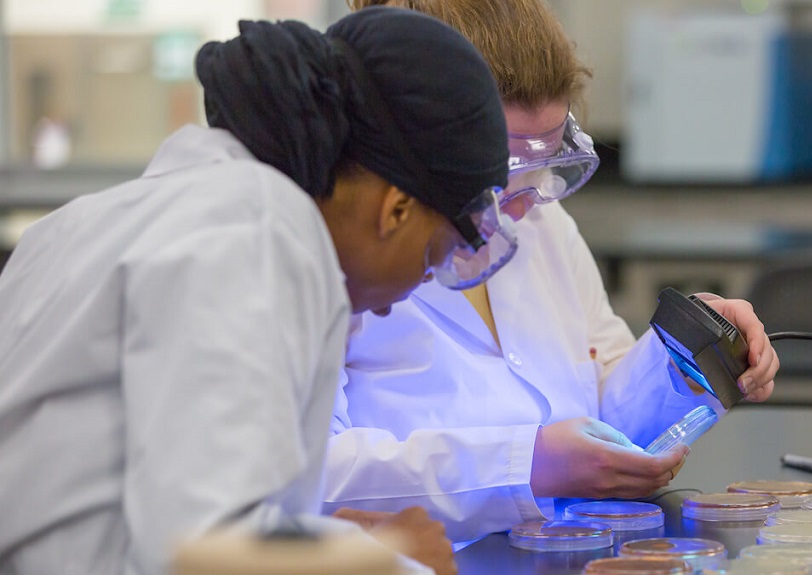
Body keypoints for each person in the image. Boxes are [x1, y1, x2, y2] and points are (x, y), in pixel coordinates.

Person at [0, 8, 514, 575]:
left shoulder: (94, 221)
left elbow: (140, 499)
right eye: (430, 259)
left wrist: (308, 537)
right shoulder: (258, 228)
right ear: (396, 209)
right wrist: (383, 563)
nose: (398, 300)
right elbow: (197, 550)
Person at [323, 0, 781, 545]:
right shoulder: (330, 253)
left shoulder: (545, 225)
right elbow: (307, 480)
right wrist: (525, 466)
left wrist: (685, 355)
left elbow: (603, 419)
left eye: (546, 166)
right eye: (505, 172)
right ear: (417, 144)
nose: (526, 203)